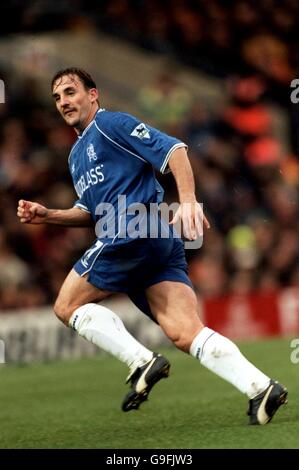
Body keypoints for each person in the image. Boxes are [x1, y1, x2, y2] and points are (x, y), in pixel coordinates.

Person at [17, 67, 287, 425]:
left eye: (70, 92)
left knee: (66, 305)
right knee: (185, 332)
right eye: (57, 97)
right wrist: (48, 214)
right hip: (155, 240)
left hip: (131, 229)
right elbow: (89, 211)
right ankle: (261, 387)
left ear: (93, 95)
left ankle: (140, 361)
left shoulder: (110, 125)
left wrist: (188, 200)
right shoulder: (75, 155)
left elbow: (174, 149)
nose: (64, 102)